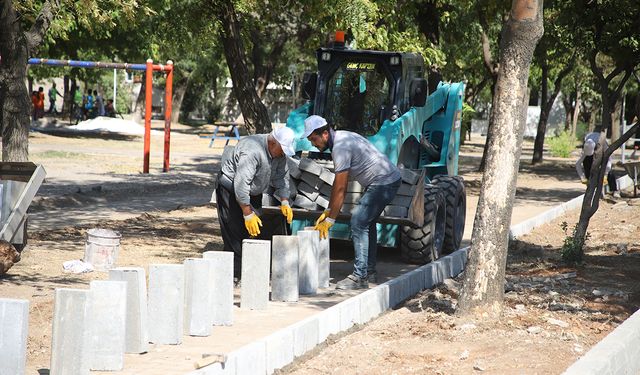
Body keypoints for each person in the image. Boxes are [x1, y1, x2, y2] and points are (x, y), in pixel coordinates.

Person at [303, 115, 401, 290]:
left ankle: (359, 277)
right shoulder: (342, 137)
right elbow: (337, 183)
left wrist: (331, 219)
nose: (312, 144)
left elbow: (342, 188)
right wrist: (328, 209)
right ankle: (369, 271)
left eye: (314, 139)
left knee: (358, 221)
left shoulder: (340, 147)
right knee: (366, 222)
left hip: (384, 182)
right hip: (386, 180)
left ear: (325, 133)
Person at [215, 127, 296, 280]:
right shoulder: (252, 150)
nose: (283, 153)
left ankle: (251, 269)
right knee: (235, 231)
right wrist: (247, 213)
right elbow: (241, 184)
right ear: (273, 143)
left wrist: (285, 201)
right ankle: (234, 275)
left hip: (252, 191)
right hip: (230, 188)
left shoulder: (278, 153)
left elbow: (281, 177)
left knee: (254, 231)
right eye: (282, 149)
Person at [576, 131, 620, 198]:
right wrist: (583, 177)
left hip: (600, 147)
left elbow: (609, 160)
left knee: (610, 173)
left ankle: (614, 190)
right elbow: (578, 164)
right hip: (590, 144)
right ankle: (591, 188)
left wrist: (605, 174)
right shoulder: (587, 146)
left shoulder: (603, 145)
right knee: (587, 165)